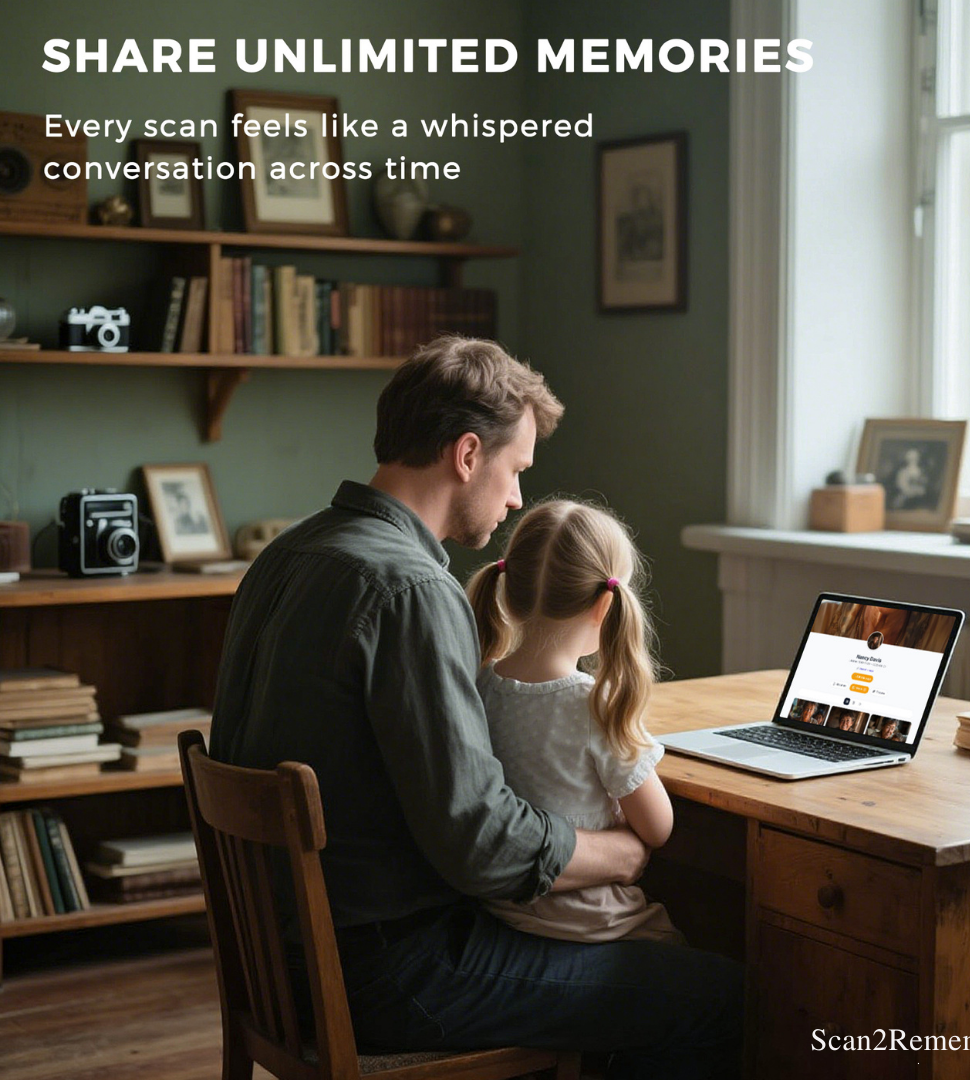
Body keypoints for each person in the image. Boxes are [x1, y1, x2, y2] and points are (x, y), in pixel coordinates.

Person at [209, 336, 743, 1079]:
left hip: (279, 958)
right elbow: (481, 841)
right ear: (467, 455)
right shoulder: (410, 591)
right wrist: (616, 854)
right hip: (385, 975)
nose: (519, 497)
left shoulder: (287, 555)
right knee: (713, 991)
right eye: (516, 469)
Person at [466, 499, 682, 945]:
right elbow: (658, 828)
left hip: (501, 913)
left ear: (509, 589)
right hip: (593, 924)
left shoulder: (481, 686)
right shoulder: (593, 705)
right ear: (606, 605)